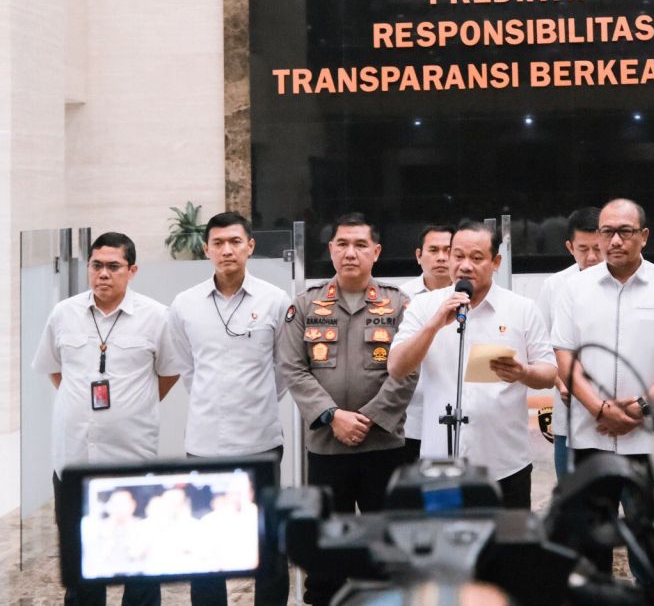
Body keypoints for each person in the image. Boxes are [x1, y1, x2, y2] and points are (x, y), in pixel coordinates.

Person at [549, 198, 654, 575]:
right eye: (607, 232)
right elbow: (564, 355)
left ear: (644, 236)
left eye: (625, 232)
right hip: (590, 437)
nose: (615, 240)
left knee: (653, 548)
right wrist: (599, 409)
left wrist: (640, 406)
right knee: (590, 547)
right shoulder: (574, 288)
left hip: (653, 438)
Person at [278, 213, 417, 606]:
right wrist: (332, 415)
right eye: (342, 244)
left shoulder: (399, 305)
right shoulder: (305, 305)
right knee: (326, 546)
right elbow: (293, 367)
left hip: (383, 446)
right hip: (327, 446)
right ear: (331, 249)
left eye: (360, 245)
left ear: (376, 252)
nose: (350, 253)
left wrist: (370, 419)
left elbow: (407, 370)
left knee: (384, 545)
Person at [33, 232, 179, 606]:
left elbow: (169, 373)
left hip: (132, 461)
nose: (103, 274)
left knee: (140, 565)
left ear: (132, 270)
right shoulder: (64, 313)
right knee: (82, 567)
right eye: (96, 265)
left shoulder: (156, 317)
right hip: (74, 460)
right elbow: (54, 369)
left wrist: (132, 407)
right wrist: (82, 403)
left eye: (113, 266)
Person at [166, 211, 291, 606]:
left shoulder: (275, 300)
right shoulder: (184, 304)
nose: (227, 250)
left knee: (266, 539)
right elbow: (187, 368)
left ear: (250, 246)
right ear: (206, 249)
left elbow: (284, 368)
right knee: (207, 544)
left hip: (260, 440)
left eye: (235, 241)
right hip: (205, 442)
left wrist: (254, 400)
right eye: (218, 243)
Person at [388, 220, 556, 509]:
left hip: (505, 464)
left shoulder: (521, 309)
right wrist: (434, 325)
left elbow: (549, 373)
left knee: (507, 538)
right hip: (440, 464)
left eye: (477, 258)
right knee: (444, 537)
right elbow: (396, 368)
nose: (465, 265)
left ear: (496, 262)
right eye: (458, 256)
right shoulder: (424, 307)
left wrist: (524, 373)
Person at [535, 207, 603, 481]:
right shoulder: (555, 286)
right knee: (573, 496)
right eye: (583, 249)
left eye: (598, 248)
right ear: (569, 247)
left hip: (620, 412)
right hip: (570, 414)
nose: (592, 257)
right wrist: (560, 382)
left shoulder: (624, 282)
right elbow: (542, 347)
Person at [397, 224, 455, 463]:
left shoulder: (472, 296)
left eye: (448, 251)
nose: (441, 257)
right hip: (409, 417)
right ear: (419, 256)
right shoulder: (399, 297)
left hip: (458, 414)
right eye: (433, 250)